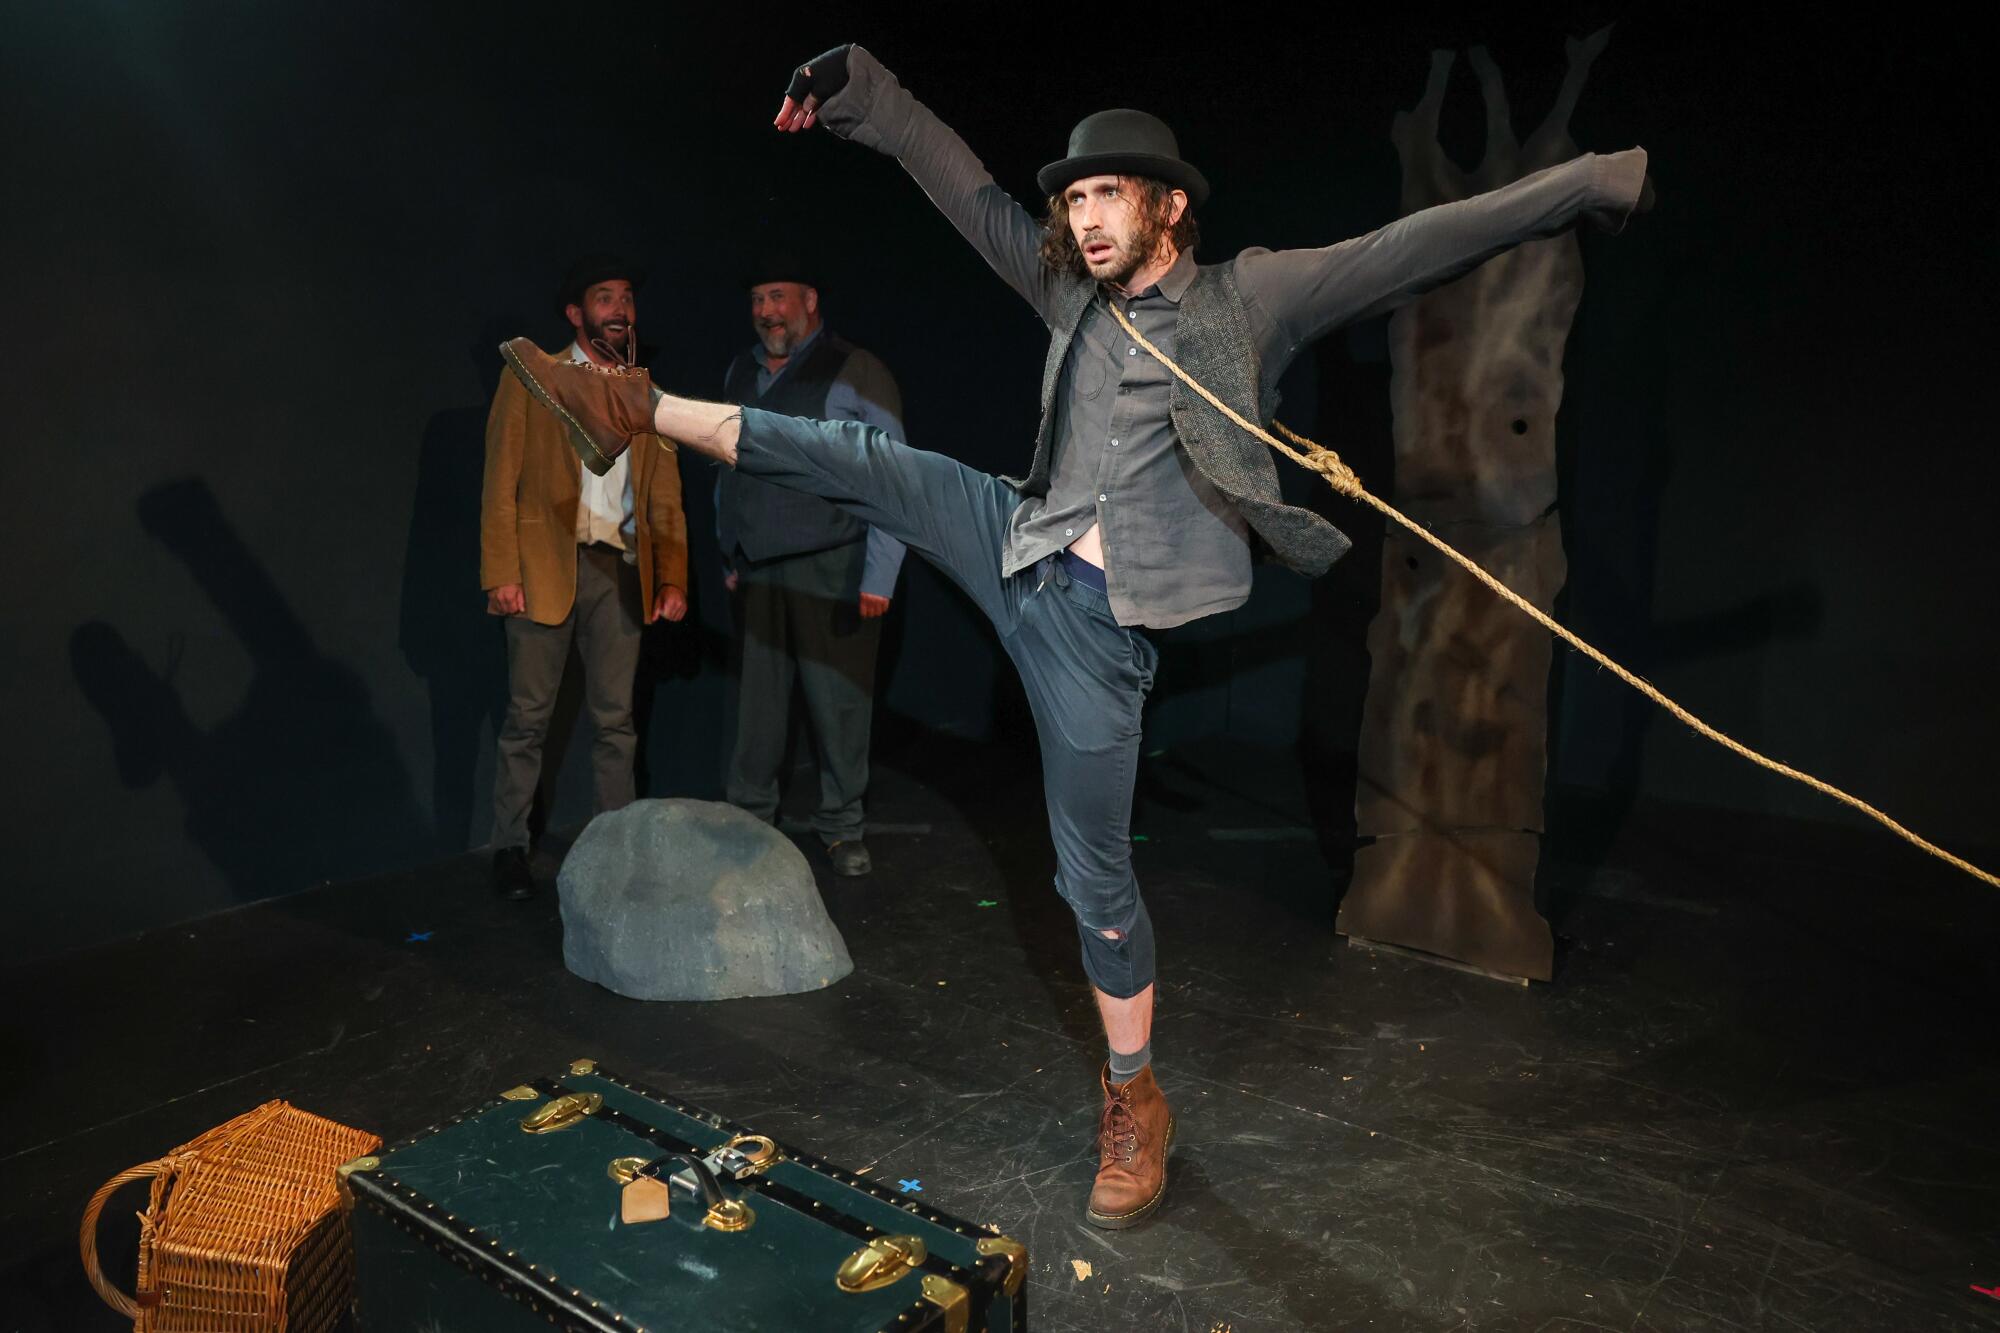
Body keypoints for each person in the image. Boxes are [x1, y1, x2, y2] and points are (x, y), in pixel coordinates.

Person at [495, 43, 1649, 1226]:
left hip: (1101, 626)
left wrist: (1585, 182)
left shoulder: (1250, 299)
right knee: (864, 463)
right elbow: (961, 189)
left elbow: (1418, 245)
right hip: (1015, 536)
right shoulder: (1066, 292)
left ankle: (1133, 1095)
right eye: (1077, 198)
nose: (1085, 218)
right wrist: (862, 89)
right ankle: (630, 406)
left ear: (1168, 205)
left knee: (1088, 871)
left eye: (1107, 195)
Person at [481, 253, 688, 900]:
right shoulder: (533, 376)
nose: (620, 308)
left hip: (619, 570)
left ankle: (616, 845)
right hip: (546, 565)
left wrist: (672, 576)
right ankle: (510, 846)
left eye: (626, 296)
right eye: (605, 297)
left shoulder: (642, 386)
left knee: (615, 720)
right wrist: (501, 572)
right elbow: (500, 480)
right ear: (576, 312)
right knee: (527, 719)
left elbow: (665, 494)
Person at [718, 256, 908, 876]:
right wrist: (730, 550)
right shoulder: (741, 372)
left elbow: (894, 478)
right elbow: (728, 469)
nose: (766, 311)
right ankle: (750, 817)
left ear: (809, 300)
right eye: (757, 298)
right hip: (760, 569)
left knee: (838, 704)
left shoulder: (855, 369)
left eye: (777, 296)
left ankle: (841, 825)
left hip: (835, 565)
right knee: (759, 709)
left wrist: (881, 573)